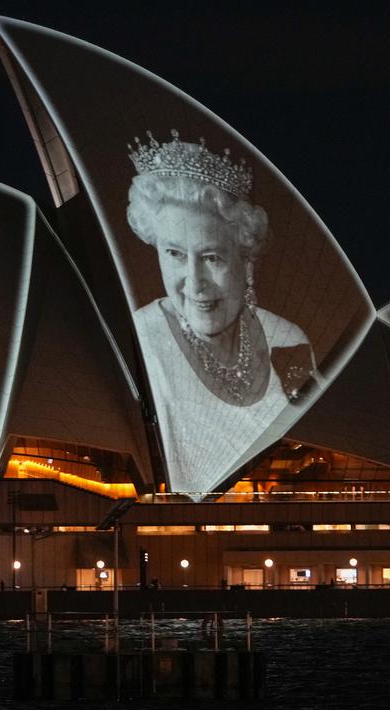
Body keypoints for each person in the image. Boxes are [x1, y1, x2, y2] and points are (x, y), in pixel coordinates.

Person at [127, 130, 317, 494]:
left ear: (245, 258)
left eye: (212, 257)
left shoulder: (289, 339)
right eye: (175, 254)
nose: (194, 282)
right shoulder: (139, 340)